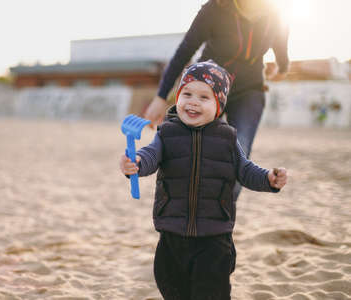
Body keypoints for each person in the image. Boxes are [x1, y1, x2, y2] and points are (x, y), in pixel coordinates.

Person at [119, 61, 287, 299]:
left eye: (204, 97)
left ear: (219, 105)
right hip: (172, 231)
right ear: (177, 98)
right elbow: (150, 155)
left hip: (214, 235)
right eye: (186, 93)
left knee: (211, 291)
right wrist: (134, 162)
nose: (193, 101)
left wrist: (269, 178)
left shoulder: (227, 138)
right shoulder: (167, 132)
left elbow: (246, 170)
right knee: (170, 284)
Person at [144, 0, 289, 201]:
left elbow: (282, 52)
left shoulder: (276, 15)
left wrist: (281, 69)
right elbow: (185, 50)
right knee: (183, 143)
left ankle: (221, 217)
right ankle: (182, 208)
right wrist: (161, 97)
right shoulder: (215, 9)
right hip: (207, 88)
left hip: (250, 90)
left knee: (239, 152)